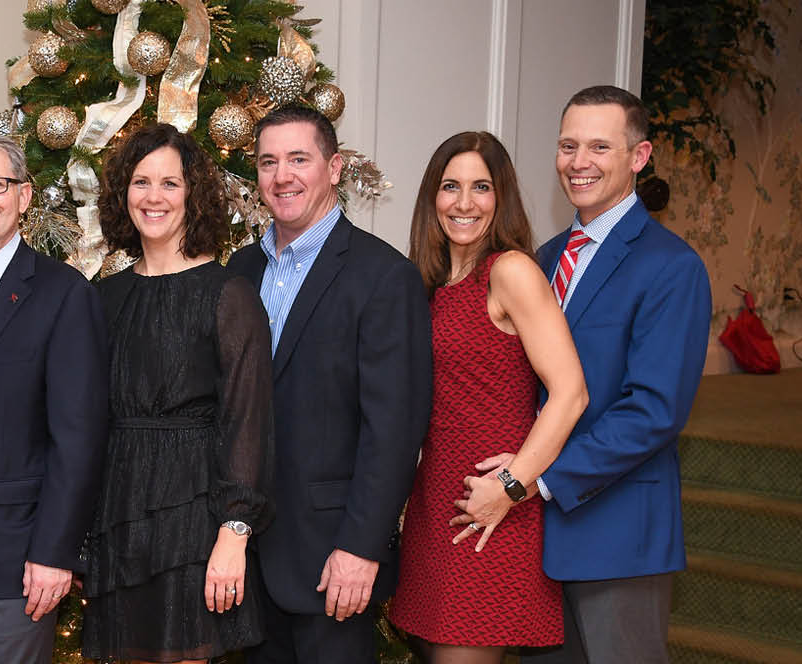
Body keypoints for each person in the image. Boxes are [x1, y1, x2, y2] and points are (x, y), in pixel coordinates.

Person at [466, 86, 711, 664]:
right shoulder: (541, 258)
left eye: (600, 147)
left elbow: (653, 412)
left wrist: (530, 480)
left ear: (639, 155)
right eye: (567, 146)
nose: (579, 163)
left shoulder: (672, 267)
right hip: (533, 540)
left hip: (618, 535)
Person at [225, 104, 431, 664]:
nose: (282, 176)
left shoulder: (383, 276)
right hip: (245, 559)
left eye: (299, 158)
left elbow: (394, 429)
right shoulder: (240, 270)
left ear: (334, 168)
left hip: (330, 558)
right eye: (268, 162)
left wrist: (360, 548)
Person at [388, 133, 587, 663]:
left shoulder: (510, 271)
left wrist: (512, 484)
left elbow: (570, 392)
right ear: (433, 197)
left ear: (501, 198)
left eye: (481, 187)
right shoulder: (427, 283)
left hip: (491, 516)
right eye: (450, 187)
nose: (464, 202)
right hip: (434, 509)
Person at [82, 124, 275, 663]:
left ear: (193, 193)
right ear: (124, 194)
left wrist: (234, 532)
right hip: (120, 511)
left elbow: (247, 419)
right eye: (141, 182)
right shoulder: (106, 297)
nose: (153, 197)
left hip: (197, 518)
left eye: (170, 183)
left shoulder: (227, 293)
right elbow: (87, 421)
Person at [0, 133, 108, 664]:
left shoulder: (63, 293)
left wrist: (56, 553)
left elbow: (79, 438)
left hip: (21, 550)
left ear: (24, 197)